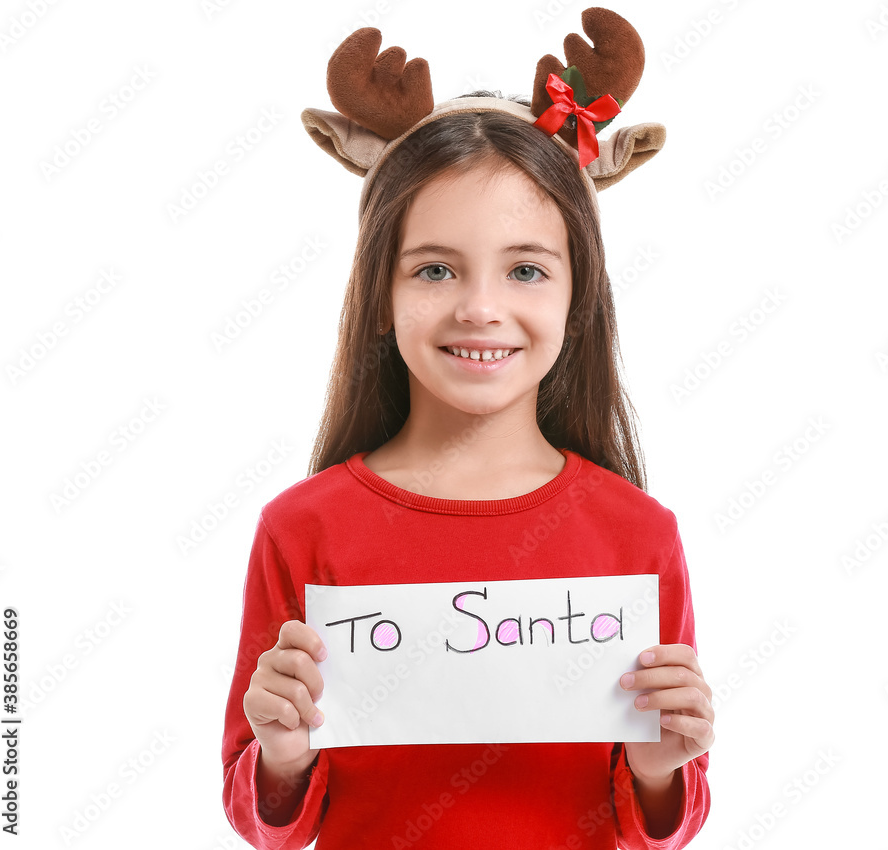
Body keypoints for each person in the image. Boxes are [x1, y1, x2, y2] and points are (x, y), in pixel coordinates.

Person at [222, 9, 713, 848]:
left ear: (576, 295)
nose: (480, 307)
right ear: (381, 290)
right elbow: (265, 819)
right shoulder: (301, 529)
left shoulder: (637, 534)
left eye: (525, 269)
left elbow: (660, 824)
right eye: (435, 269)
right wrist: (281, 756)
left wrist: (664, 765)